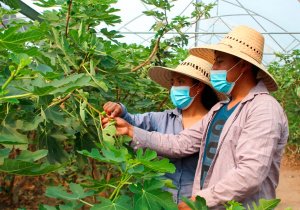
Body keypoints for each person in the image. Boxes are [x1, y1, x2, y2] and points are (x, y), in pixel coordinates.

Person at [103, 25, 289, 209]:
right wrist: (130, 130)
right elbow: (180, 144)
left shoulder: (264, 108)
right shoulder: (220, 109)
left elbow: (250, 173)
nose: (213, 68)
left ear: (243, 65)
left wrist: (201, 200)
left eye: (219, 61)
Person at [103, 55, 226, 203]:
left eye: (181, 82)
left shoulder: (215, 123)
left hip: (196, 203)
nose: (174, 88)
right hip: (161, 200)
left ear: (199, 87)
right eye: (173, 82)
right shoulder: (161, 118)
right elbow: (131, 121)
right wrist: (119, 109)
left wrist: (130, 129)